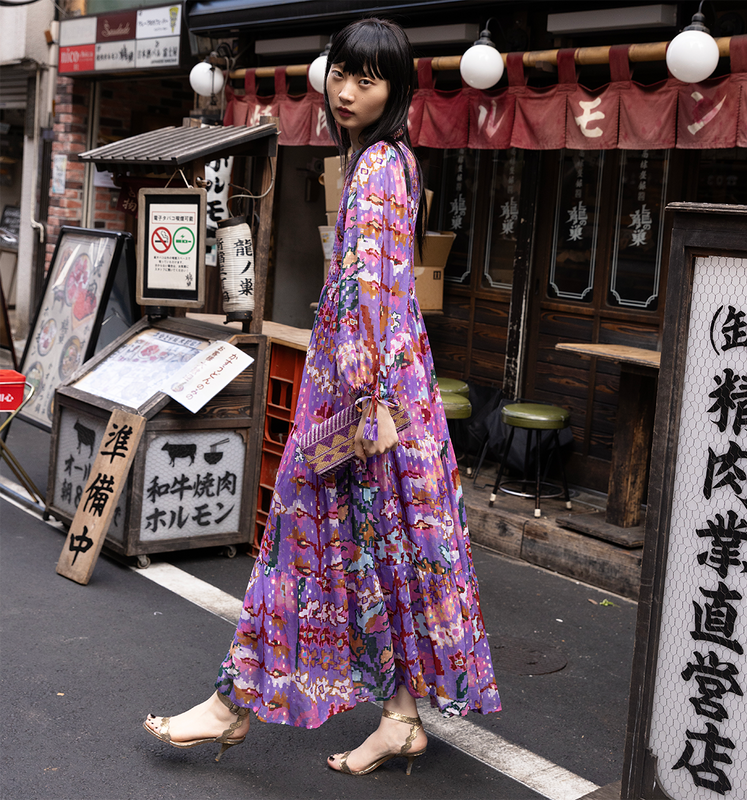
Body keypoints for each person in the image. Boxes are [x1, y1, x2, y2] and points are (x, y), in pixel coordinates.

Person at [144, 17, 500, 776]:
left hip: (361, 406)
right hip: (393, 402)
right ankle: (399, 719)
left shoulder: (374, 168)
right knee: (384, 558)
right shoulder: (397, 161)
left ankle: (230, 704)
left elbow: (371, 294)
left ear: (395, 89)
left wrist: (359, 410)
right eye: (340, 73)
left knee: (296, 550)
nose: (344, 91)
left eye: (365, 80)